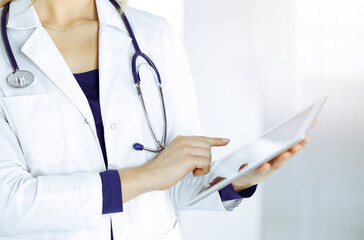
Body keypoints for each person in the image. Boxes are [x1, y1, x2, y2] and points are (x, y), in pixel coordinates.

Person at [0, 0, 309, 239]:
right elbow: (9, 204)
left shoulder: (153, 36)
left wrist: (236, 181)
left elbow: (178, 182)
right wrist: (148, 176)